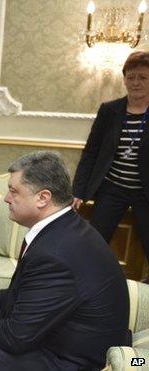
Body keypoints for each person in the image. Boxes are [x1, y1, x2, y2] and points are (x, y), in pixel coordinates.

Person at [0, 151, 131, 370]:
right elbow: (28, 293)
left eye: (13, 191)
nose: (6, 198)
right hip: (63, 341)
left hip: (75, 361)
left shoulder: (55, 254)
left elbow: (17, 337)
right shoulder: (66, 229)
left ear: (43, 198)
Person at [73, 51, 149, 280]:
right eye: (131, 77)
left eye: (143, 78)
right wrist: (78, 190)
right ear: (124, 79)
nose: (136, 83)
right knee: (94, 243)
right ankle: (85, 285)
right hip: (111, 189)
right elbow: (91, 152)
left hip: (144, 193)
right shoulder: (110, 110)